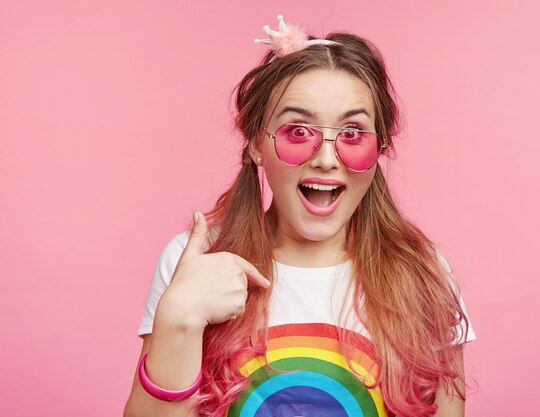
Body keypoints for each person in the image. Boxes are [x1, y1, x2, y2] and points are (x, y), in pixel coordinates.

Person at [124, 14, 476, 417]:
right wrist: (178, 318)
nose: (327, 159)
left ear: (379, 151)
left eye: (352, 134)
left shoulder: (423, 272)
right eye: (298, 132)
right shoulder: (198, 262)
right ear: (257, 143)